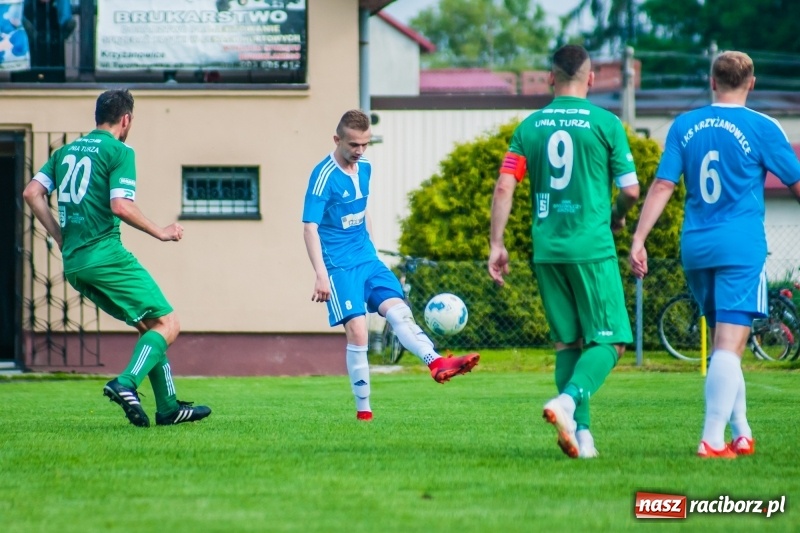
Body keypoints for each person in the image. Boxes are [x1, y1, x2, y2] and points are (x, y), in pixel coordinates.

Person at [630, 51, 800, 458]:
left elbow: (663, 186)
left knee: (727, 344)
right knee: (729, 345)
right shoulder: (762, 126)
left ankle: (741, 431)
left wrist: (639, 238)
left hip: (696, 246)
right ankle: (711, 439)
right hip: (740, 245)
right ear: (752, 82)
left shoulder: (684, 124)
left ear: (712, 81)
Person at [22, 89, 211, 428]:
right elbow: (120, 206)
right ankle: (125, 383)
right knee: (169, 323)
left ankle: (168, 407)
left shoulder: (65, 152)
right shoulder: (119, 150)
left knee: (148, 327)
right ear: (126, 120)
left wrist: (61, 237)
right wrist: (161, 232)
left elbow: (32, 193)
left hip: (75, 264)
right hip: (106, 255)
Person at [488, 45, 640, 458]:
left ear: (550, 77)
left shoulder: (530, 126)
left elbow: (505, 185)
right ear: (591, 79)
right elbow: (630, 190)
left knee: (567, 346)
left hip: (548, 250)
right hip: (590, 247)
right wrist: (618, 216)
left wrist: (497, 243)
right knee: (613, 342)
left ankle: (583, 437)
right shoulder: (607, 123)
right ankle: (568, 401)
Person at [302, 109, 480, 421]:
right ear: (337, 140)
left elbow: (362, 209)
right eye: (353, 145)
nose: (359, 151)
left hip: (367, 259)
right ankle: (364, 412)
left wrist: (371, 247)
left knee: (399, 312)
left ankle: (436, 362)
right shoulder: (323, 177)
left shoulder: (366, 168)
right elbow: (309, 227)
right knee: (358, 331)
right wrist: (320, 274)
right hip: (339, 266)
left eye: (365, 145)